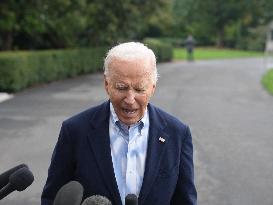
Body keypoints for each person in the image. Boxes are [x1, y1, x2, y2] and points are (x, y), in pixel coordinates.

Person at [41, 42, 197, 205]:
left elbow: (185, 200)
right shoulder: (75, 131)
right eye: (121, 88)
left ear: (152, 88)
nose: (130, 99)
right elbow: (52, 198)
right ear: (107, 84)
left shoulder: (177, 133)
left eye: (139, 89)